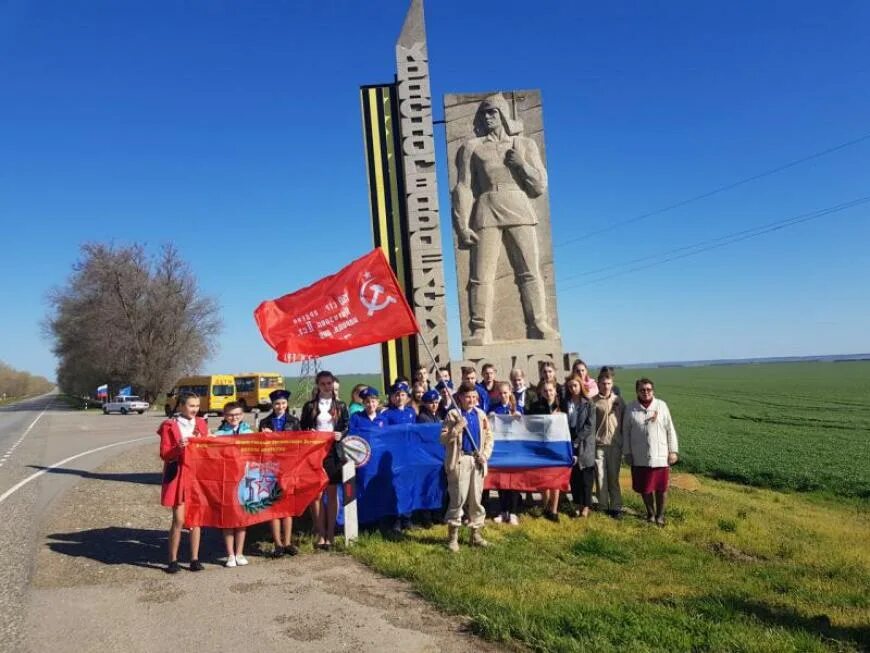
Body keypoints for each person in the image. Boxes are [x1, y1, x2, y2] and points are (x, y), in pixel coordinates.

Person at [451, 92, 558, 345]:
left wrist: (521, 165)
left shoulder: (524, 145)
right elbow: (463, 188)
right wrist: (462, 225)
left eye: (492, 112)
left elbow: (539, 186)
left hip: (519, 205)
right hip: (486, 208)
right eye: (484, 113)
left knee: (530, 271)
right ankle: (480, 329)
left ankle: (539, 323)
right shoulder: (473, 147)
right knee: (480, 275)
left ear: (502, 114)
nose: (488, 117)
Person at [158, 391, 212, 573]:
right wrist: (177, 448)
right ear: (181, 406)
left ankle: (194, 559)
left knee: (196, 519)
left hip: (197, 475)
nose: (194, 409)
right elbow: (164, 454)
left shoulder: (202, 424)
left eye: (197, 406)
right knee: (179, 520)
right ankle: (172, 560)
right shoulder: (169, 425)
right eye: (191, 406)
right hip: (179, 474)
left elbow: (209, 449)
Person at [440, 382, 494, 552]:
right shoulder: (453, 415)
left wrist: (484, 455)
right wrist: (456, 429)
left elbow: (489, 439)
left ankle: (475, 535)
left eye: (473, 397)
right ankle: (453, 538)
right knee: (458, 499)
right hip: (460, 461)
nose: (471, 400)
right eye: (467, 397)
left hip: (477, 461)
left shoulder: (481, 415)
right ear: (460, 398)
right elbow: (442, 439)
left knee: (476, 500)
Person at [300, 370, 349, 550]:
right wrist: (308, 433)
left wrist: (341, 434)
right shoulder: (309, 406)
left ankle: (331, 533)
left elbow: (346, 427)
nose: (327, 387)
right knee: (316, 494)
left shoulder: (341, 406)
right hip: (314, 453)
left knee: (332, 493)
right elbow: (302, 427)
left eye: (329, 383)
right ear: (318, 385)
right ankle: (320, 533)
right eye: (323, 384)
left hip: (333, 453)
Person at [622, 378, 679, 526]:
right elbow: (626, 432)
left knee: (661, 488)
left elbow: (670, 429)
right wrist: (627, 452)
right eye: (642, 390)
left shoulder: (661, 406)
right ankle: (650, 513)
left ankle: (660, 515)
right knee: (645, 487)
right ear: (637, 391)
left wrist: (673, 451)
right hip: (639, 455)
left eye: (648, 389)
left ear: (652, 391)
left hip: (660, 455)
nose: (646, 392)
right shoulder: (631, 408)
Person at [258, 389, 301, 557]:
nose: (280, 406)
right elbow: (259, 447)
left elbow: (301, 444)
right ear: (272, 405)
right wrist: (263, 435)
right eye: (277, 404)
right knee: (274, 506)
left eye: (283, 403)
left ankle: (288, 542)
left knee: (288, 507)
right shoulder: (265, 422)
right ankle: (277, 544)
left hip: (289, 467)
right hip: (270, 468)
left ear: (287, 404)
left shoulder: (294, 421)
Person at [215, 401, 253, 567]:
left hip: (245, 479)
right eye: (230, 415)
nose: (234, 417)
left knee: (242, 518)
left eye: (237, 414)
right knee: (228, 518)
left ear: (242, 415)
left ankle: (240, 552)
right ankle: (230, 554)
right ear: (225, 416)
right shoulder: (218, 434)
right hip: (226, 480)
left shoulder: (250, 433)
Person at [528, 380, 563, 521]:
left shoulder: (563, 405)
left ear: (555, 391)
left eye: (550, 390)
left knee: (555, 479)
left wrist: (559, 417)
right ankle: (545, 505)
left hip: (557, 447)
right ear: (541, 392)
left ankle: (554, 511)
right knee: (543, 478)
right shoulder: (536, 406)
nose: (548, 393)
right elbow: (529, 425)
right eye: (545, 391)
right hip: (541, 447)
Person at [489, 381, 522, 525]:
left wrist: (519, 417)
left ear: (510, 392)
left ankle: (513, 512)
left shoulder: (518, 408)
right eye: (500, 393)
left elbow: (525, 427)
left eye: (505, 392)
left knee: (513, 481)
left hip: (514, 449)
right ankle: (503, 511)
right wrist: (489, 417)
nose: (503, 395)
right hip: (500, 450)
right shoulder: (494, 409)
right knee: (502, 481)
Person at [593, 369, 625, 518]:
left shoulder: (619, 401)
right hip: (598, 445)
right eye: (603, 383)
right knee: (600, 476)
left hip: (615, 444)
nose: (606, 386)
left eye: (609, 383)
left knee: (613, 477)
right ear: (598, 383)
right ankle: (602, 505)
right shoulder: (593, 402)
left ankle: (616, 506)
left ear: (612, 384)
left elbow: (625, 422)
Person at [563, 377, 596, 518]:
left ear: (580, 386)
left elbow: (590, 425)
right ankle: (577, 504)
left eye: (575, 385)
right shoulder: (566, 403)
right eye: (570, 386)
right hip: (569, 443)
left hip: (584, 444)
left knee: (586, 478)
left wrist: (577, 439)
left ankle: (586, 506)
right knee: (574, 478)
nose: (573, 388)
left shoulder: (589, 403)